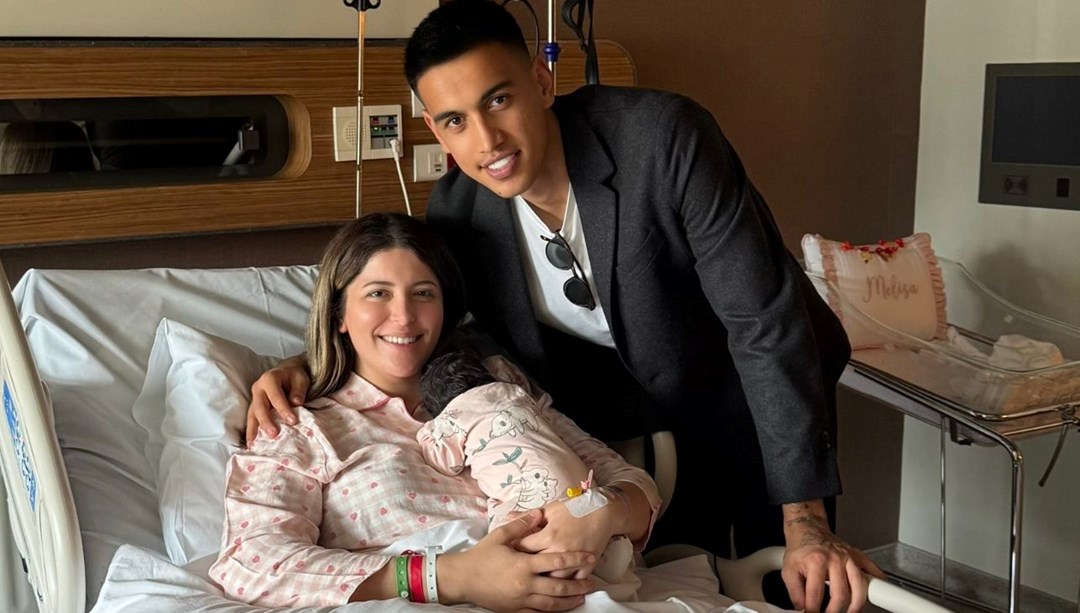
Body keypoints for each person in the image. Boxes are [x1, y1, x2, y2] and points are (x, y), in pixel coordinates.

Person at [247, 2, 883, 612]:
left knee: (797, 574)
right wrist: (309, 362)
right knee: (687, 565)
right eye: (455, 120)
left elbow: (762, 322)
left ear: (543, 81)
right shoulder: (461, 211)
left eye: (499, 100)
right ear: (436, 130)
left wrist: (806, 522)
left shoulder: (662, 140)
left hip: (750, 380)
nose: (487, 140)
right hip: (633, 408)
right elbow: (425, 325)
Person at [213, 212, 660, 610]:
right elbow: (253, 562)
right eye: (378, 293)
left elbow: (628, 481)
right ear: (339, 315)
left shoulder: (495, 388)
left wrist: (605, 512)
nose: (404, 316)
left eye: (423, 293)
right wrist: (449, 577)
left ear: (445, 309)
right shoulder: (302, 425)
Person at [416, 349, 636, 586]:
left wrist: (427, 432)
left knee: (503, 535)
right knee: (587, 520)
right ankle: (611, 550)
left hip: (530, 501)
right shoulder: (514, 392)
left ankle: (550, 567)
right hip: (583, 493)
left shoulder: (453, 417)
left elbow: (446, 463)